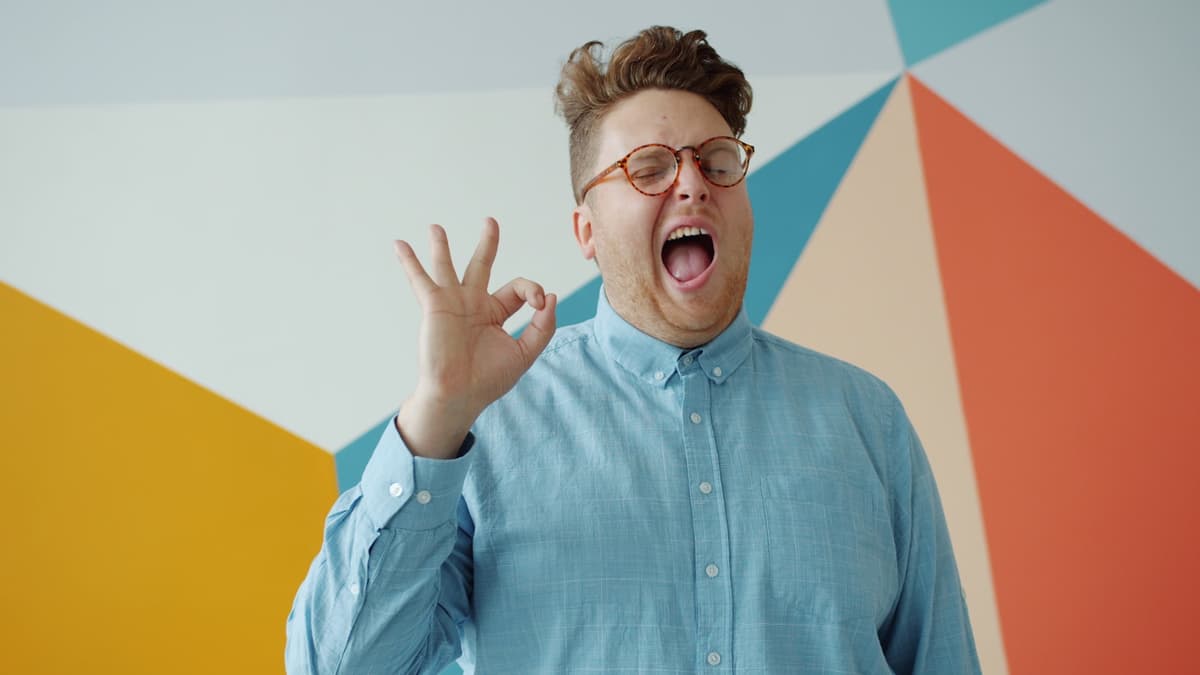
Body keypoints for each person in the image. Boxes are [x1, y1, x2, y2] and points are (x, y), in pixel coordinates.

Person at [285, 26, 981, 674]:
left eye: (716, 161)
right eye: (648, 168)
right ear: (586, 231)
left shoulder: (869, 422)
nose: (691, 182)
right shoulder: (487, 424)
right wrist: (436, 413)